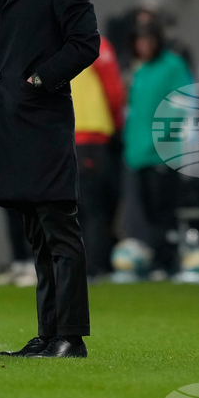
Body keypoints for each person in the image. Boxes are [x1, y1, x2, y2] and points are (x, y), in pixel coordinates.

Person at [0, 0, 99, 359]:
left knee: (59, 228)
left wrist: (39, 79)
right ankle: (49, 332)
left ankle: (70, 337)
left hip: (44, 119)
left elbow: (85, 43)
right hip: (16, 123)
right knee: (36, 232)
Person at [122, 20, 192, 274]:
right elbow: (132, 112)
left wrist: (159, 137)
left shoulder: (172, 65)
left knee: (165, 213)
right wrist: (132, 146)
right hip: (138, 155)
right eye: (139, 41)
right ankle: (156, 260)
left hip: (163, 154)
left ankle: (168, 262)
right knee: (149, 215)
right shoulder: (139, 72)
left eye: (148, 40)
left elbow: (181, 104)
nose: (144, 45)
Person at [71, 34, 125, 277]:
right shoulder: (96, 43)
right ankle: (95, 267)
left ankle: (73, 267)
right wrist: (117, 126)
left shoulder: (47, 42)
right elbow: (114, 92)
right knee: (95, 207)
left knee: (70, 207)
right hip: (92, 135)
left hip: (61, 138)